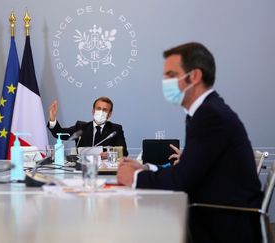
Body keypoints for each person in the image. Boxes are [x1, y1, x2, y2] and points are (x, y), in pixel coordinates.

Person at [117, 42, 263, 242]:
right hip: (216, 214)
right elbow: (188, 170)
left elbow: (182, 180)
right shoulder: (203, 111)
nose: (164, 81)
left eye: (171, 75)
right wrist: (146, 169)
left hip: (225, 225)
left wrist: (135, 178)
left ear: (194, 76)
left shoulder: (210, 116)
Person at [47, 96, 128, 156]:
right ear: (93, 111)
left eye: (104, 110)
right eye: (98, 109)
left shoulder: (115, 129)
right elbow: (59, 133)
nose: (101, 112)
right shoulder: (81, 127)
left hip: (106, 169)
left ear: (109, 114)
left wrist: (109, 154)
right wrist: (52, 117)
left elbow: (124, 153)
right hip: (83, 168)